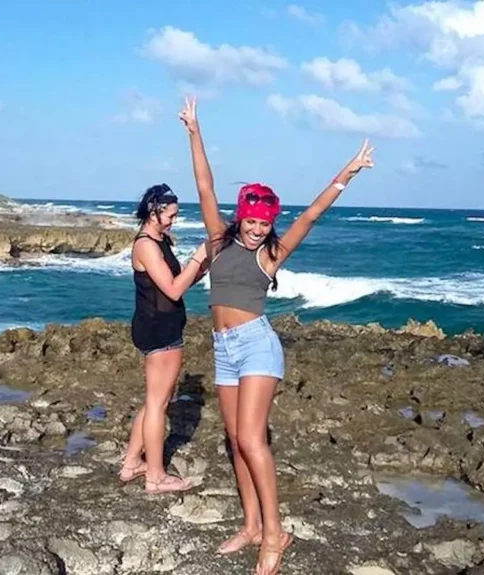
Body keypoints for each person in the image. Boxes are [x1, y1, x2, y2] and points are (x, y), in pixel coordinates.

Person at [178, 96, 376, 575]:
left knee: (251, 439)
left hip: (257, 347)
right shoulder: (219, 240)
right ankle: (249, 526)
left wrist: (347, 172)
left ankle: (274, 534)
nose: (256, 229)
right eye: (250, 221)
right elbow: (204, 186)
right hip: (223, 349)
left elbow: (310, 216)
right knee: (233, 438)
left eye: (264, 223)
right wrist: (194, 129)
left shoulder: (271, 255)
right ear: (240, 216)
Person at [119, 183, 210, 494]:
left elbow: (177, 282)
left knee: (156, 399)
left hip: (162, 324)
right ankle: (155, 477)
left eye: (176, 215)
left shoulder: (160, 240)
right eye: (170, 215)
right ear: (154, 211)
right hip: (158, 329)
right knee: (159, 404)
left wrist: (202, 264)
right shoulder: (146, 244)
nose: (174, 220)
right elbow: (172, 289)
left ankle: (132, 462)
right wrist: (198, 257)